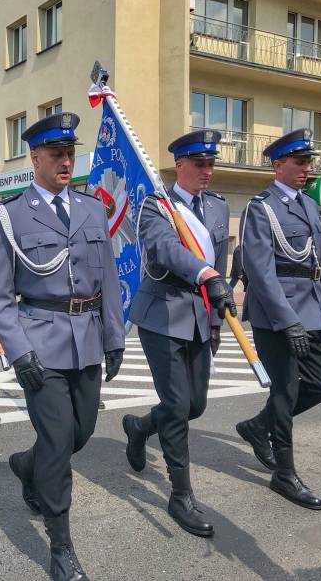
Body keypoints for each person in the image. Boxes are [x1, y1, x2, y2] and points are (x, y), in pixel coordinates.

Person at [0, 112, 125, 581]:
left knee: (78, 434)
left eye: (70, 153)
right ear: (35, 158)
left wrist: (114, 337)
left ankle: (28, 465)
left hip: (87, 338)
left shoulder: (92, 209)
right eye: (57, 154)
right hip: (40, 341)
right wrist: (18, 351)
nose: (66, 161)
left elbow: (108, 279)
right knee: (60, 443)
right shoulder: (8, 215)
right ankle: (61, 546)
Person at [120, 129, 234, 538]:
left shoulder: (218, 207)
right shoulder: (156, 206)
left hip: (201, 316)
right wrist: (207, 275)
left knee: (194, 405)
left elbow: (220, 261)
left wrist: (216, 320)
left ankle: (140, 427)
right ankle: (180, 494)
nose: (207, 171)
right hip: (163, 315)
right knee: (176, 403)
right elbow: (166, 249)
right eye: (199, 164)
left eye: (211, 164)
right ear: (179, 165)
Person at [235, 128, 321, 510]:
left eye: (309, 162)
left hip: (311, 309)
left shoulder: (309, 205)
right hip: (275, 315)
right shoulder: (260, 208)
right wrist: (287, 321)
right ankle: (284, 473)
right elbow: (260, 272)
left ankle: (257, 426)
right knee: (285, 391)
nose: (306, 168)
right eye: (299, 161)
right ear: (278, 165)